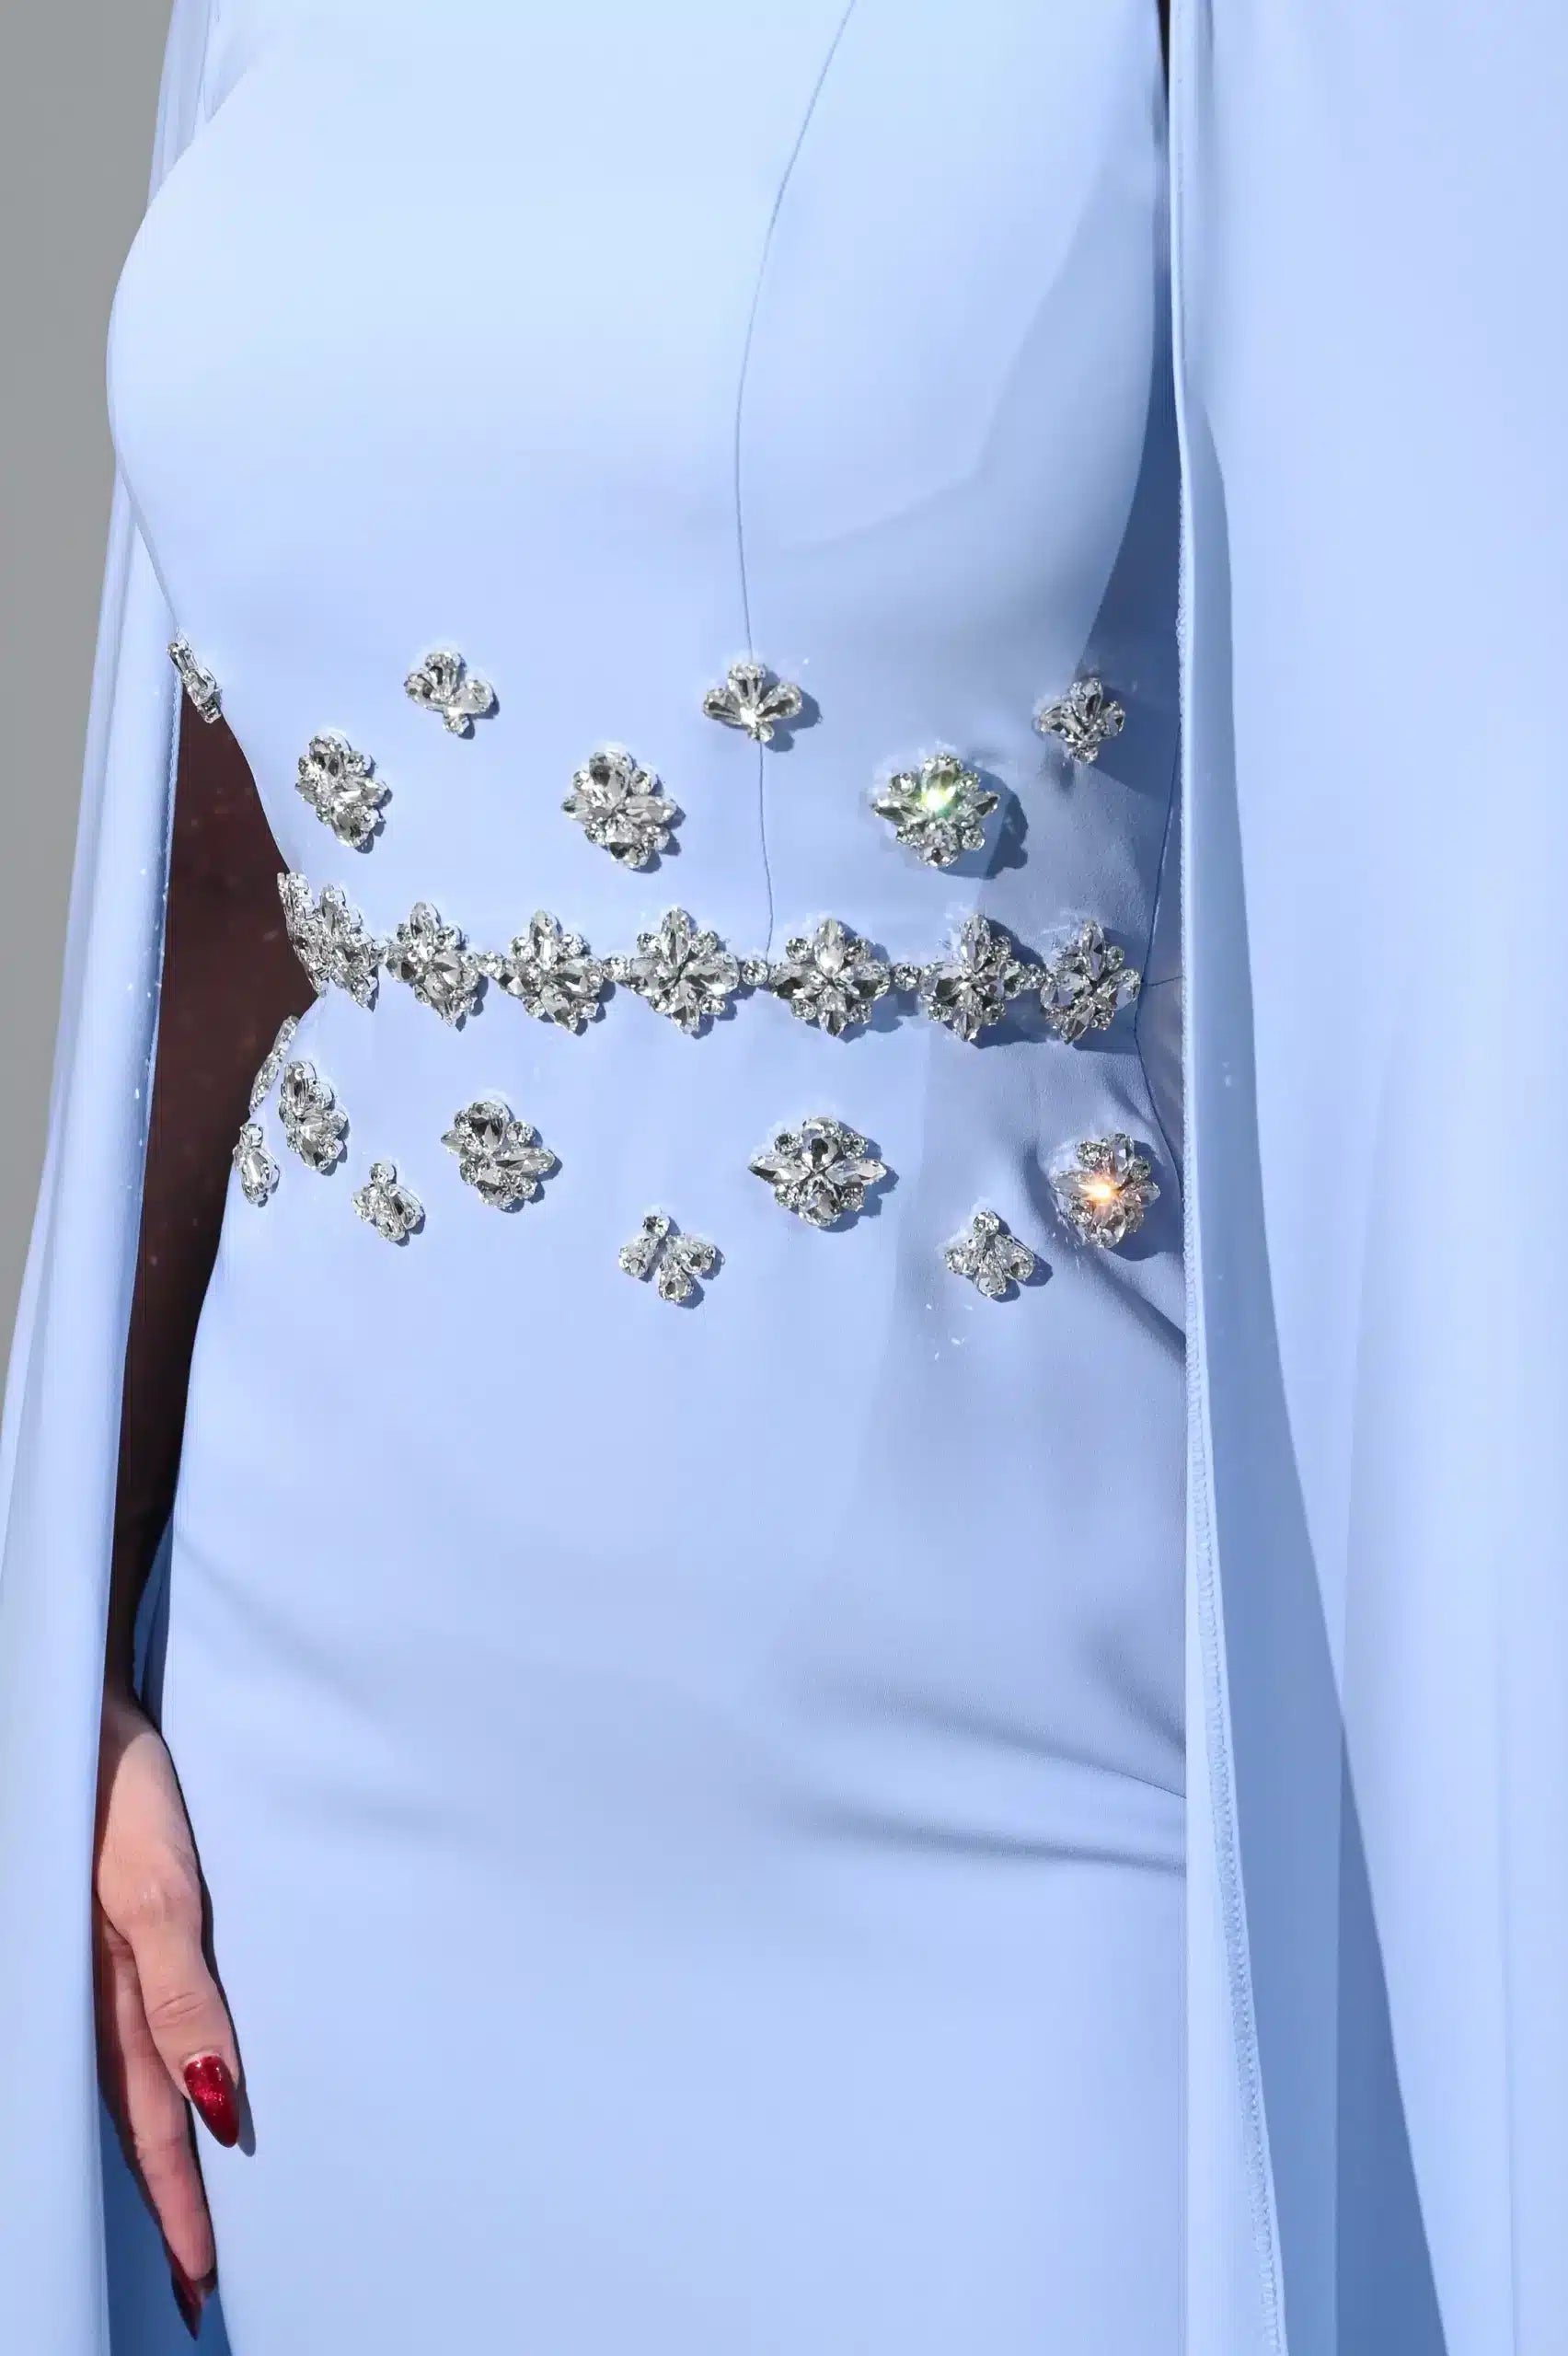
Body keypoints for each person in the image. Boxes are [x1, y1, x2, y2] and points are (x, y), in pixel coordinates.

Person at [2, 6, 1564, 2354]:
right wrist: (58, 1685)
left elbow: (1488, 923)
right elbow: (229, 869)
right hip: (299, 1853)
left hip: (1004, 1838)